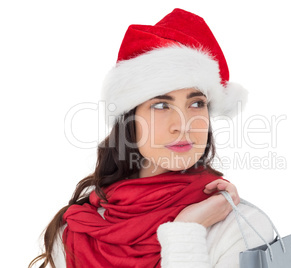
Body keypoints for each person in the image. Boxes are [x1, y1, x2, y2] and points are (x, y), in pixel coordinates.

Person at [29, 8, 274, 268]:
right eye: (161, 106)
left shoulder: (241, 227)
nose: (183, 125)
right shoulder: (78, 231)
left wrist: (186, 231)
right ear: (130, 121)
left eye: (196, 103)